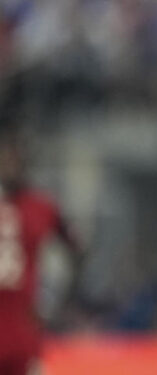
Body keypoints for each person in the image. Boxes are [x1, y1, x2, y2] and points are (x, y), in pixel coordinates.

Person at [0, 126, 82, 375]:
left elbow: (77, 249)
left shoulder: (40, 205)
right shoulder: (40, 206)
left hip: (23, 331)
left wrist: (53, 299)